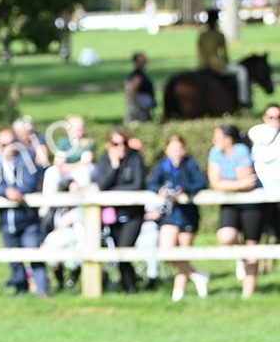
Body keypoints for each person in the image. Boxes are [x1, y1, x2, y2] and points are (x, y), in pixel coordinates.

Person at [146, 135, 210, 301]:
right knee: (167, 252)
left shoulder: (190, 164)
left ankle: (178, 294)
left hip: (187, 215)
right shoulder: (163, 167)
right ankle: (198, 275)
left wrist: (184, 190)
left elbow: (201, 182)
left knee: (182, 254)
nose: (176, 152)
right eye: (173, 148)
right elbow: (151, 183)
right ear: (167, 149)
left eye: (179, 148)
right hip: (170, 214)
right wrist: (159, 190)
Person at [0, 128, 48, 297]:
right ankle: (21, 290)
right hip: (7, 220)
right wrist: (6, 191)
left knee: (34, 254)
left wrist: (17, 191)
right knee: (14, 258)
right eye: (3, 144)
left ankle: (42, 291)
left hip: (28, 219)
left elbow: (30, 182)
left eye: (11, 143)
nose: (8, 147)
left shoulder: (27, 159)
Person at [208, 124, 263, 298]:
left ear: (228, 139)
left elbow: (248, 183)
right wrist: (237, 185)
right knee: (226, 236)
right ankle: (241, 260)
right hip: (231, 202)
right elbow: (216, 183)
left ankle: (248, 294)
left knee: (251, 247)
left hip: (252, 204)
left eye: (217, 137)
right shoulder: (215, 152)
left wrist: (228, 184)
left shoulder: (241, 150)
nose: (213, 141)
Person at [95, 126, 147, 294]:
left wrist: (114, 190)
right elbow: (101, 185)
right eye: (116, 144)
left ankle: (131, 288)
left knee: (125, 249)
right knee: (118, 253)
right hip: (114, 215)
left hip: (133, 214)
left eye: (124, 143)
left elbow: (138, 185)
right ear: (109, 145)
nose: (121, 147)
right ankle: (130, 288)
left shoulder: (135, 159)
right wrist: (115, 166)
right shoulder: (105, 160)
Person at [40, 115, 95, 220]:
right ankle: (47, 203)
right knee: (51, 172)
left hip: (79, 170)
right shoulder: (64, 141)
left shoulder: (87, 142)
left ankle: (83, 203)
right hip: (67, 170)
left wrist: (69, 167)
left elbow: (86, 161)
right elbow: (58, 161)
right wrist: (62, 167)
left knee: (83, 172)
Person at [198, 9, 250, 109]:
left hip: (203, 65)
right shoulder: (219, 35)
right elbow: (224, 54)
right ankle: (243, 99)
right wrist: (225, 62)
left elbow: (199, 52)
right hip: (218, 66)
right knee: (242, 71)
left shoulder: (202, 35)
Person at [247, 104, 280, 242]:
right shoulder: (255, 134)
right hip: (260, 192)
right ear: (264, 118)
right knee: (261, 237)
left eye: (278, 117)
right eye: (271, 117)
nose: (274, 120)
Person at [126, 52, 157, 123]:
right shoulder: (138, 74)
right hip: (141, 103)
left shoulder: (141, 73)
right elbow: (134, 89)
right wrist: (135, 104)